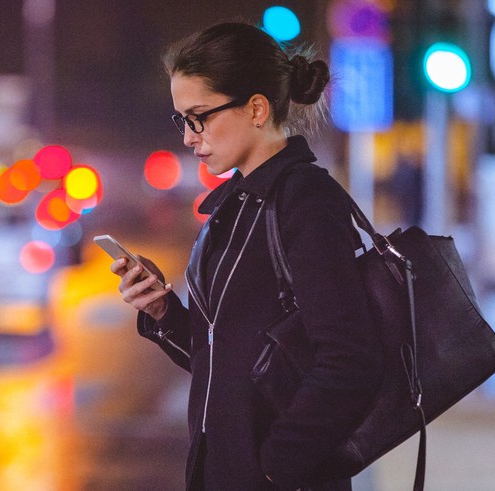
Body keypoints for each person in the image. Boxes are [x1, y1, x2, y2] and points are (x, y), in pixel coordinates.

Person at [110, 22, 383, 491]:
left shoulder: (305, 200)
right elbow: (225, 360)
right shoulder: (233, 209)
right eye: (182, 120)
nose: (188, 137)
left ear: (256, 108)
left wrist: (275, 467)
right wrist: (162, 311)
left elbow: (350, 360)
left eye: (198, 117)